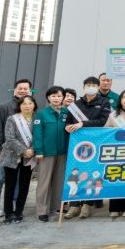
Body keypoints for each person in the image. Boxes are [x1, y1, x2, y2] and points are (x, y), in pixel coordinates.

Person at [63, 76, 112, 219]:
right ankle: (74, 205)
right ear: (84, 87)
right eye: (88, 85)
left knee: (91, 173)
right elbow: (68, 121)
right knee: (75, 172)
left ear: (98, 87)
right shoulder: (75, 104)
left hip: (94, 143)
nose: (91, 87)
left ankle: (87, 204)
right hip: (77, 145)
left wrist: (83, 124)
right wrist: (68, 127)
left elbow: (102, 121)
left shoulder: (104, 102)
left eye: (93, 85)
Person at [0, 79, 32, 219]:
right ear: (14, 89)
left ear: (30, 91)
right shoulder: (4, 107)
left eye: (26, 88)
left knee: (17, 179)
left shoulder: (31, 108)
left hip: (23, 152)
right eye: (20, 88)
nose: (23, 90)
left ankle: (13, 201)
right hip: (6, 151)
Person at [0, 95, 38, 224]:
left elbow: (39, 137)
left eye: (30, 103)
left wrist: (32, 150)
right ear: (19, 106)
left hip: (29, 157)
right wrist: (24, 150)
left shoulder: (37, 119)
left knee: (24, 185)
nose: (27, 106)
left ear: (34, 105)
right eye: (24, 104)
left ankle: (19, 212)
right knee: (10, 185)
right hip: (12, 155)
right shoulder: (12, 119)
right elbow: (10, 138)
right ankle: (8, 213)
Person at [33, 86, 69, 222]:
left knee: (59, 181)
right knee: (44, 182)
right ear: (48, 98)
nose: (56, 98)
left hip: (62, 152)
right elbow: (37, 134)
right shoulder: (42, 114)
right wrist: (39, 150)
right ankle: (42, 210)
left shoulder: (67, 112)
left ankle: (56, 206)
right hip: (47, 153)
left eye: (59, 96)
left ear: (63, 97)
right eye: (53, 96)